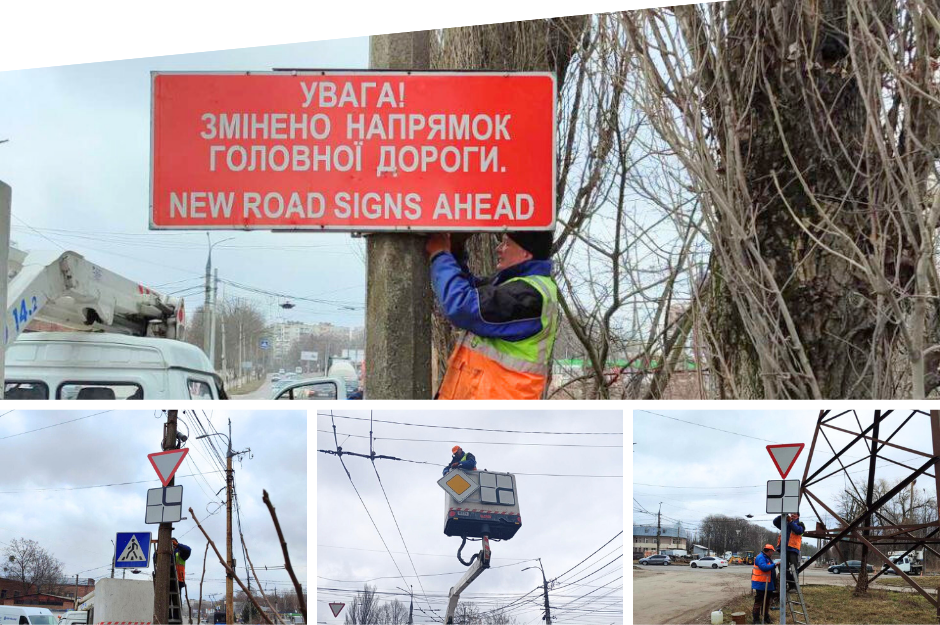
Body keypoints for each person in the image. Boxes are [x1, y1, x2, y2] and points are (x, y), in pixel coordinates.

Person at [426, 231, 559, 400]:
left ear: (526, 252)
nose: (499, 248)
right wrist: (455, 251)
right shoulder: (515, 285)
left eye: (507, 243)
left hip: (495, 412)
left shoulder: (528, 295)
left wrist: (440, 254)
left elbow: (462, 306)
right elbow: (474, 292)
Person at [773, 512, 805, 590]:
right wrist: (784, 513)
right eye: (791, 514)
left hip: (793, 549)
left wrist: (790, 522)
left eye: (794, 514)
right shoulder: (785, 523)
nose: (792, 515)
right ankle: (789, 585)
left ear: (798, 516)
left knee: (794, 568)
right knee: (784, 568)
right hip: (784, 549)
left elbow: (798, 531)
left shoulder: (800, 524)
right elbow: (775, 522)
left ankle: (794, 586)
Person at [751, 544, 776, 624]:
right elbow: (764, 568)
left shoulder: (767, 558)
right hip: (760, 584)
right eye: (772, 551)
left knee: (767, 602)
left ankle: (765, 617)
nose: (772, 553)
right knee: (758, 602)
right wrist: (775, 565)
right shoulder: (760, 557)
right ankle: (756, 620)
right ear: (769, 551)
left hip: (767, 584)